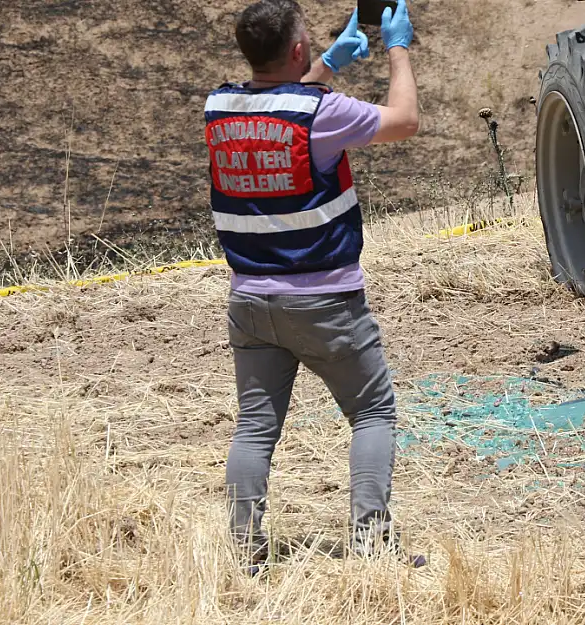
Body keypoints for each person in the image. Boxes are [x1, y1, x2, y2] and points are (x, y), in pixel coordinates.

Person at [202, 0, 420, 572]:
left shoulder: (218, 106)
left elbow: (279, 111)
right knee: (373, 412)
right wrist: (398, 47)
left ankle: (243, 550)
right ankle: (372, 544)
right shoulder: (321, 114)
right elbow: (405, 120)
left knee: (255, 426)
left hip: (249, 300)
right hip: (326, 300)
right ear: (296, 49)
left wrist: (328, 62)